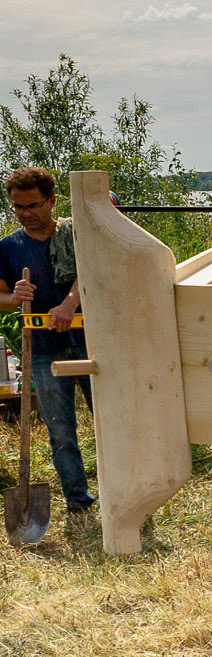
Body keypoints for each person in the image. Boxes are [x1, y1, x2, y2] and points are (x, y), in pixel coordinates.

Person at [1, 166, 93, 515]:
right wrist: (15, 297)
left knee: (109, 422)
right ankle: (79, 503)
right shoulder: (8, 248)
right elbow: (1, 297)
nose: (25, 214)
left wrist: (70, 304)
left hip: (91, 342)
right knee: (61, 431)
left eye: (33, 206)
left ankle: (121, 493)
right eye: (18, 207)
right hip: (41, 351)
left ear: (52, 201)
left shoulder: (76, 236)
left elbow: (93, 271)